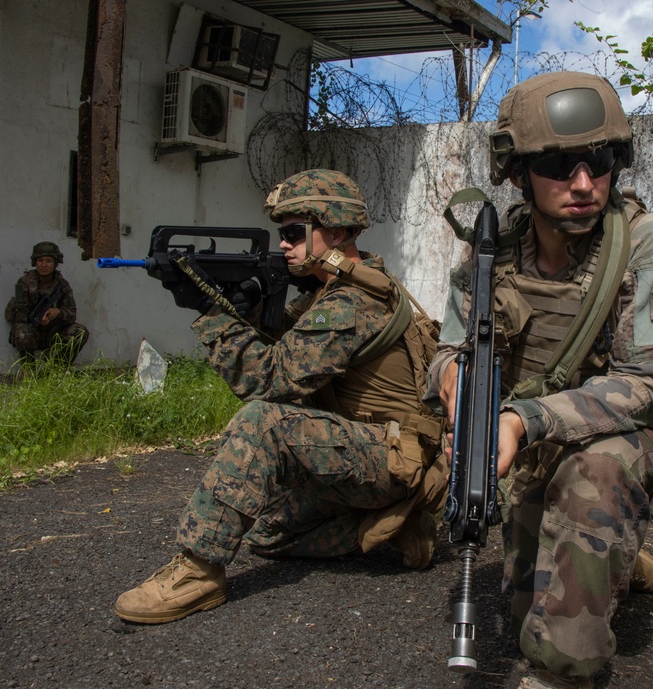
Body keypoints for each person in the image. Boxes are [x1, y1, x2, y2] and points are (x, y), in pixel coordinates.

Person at [425, 72, 653, 689]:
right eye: (558, 164)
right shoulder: (491, 254)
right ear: (518, 172)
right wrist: (455, 384)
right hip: (536, 447)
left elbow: (650, 384)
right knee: (526, 606)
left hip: (642, 446)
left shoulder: (649, 246)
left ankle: (563, 677)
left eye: (598, 160)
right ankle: (614, 561)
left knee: (592, 484)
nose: (583, 183)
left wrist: (522, 420)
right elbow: (445, 350)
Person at [115, 169, 446, 624]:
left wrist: (212, 316)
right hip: (370, 448)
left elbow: (271, 379)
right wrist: (233, 301)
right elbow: (286, 340)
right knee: (268, 533)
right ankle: (393, 524)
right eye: (281, 233)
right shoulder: (336, 290)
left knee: (262, 423)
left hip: (392, 458)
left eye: (293, 232)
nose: (284, 244)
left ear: (335, 231)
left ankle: (198, 572)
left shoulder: (352, 302)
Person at [6, 241, 89, 364]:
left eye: (49, 261)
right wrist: (37, 319)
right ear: (35, 262)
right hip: (32, 331)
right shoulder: (24, 282)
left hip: (53, 332)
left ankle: (57, 370)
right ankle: (29, 371)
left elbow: (71, 314)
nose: (44, 265)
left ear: (55, 263)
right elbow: (19, 315)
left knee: (79, 332)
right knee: (23, 334)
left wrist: (58, 313)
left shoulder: (62, 285)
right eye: (40, 260)